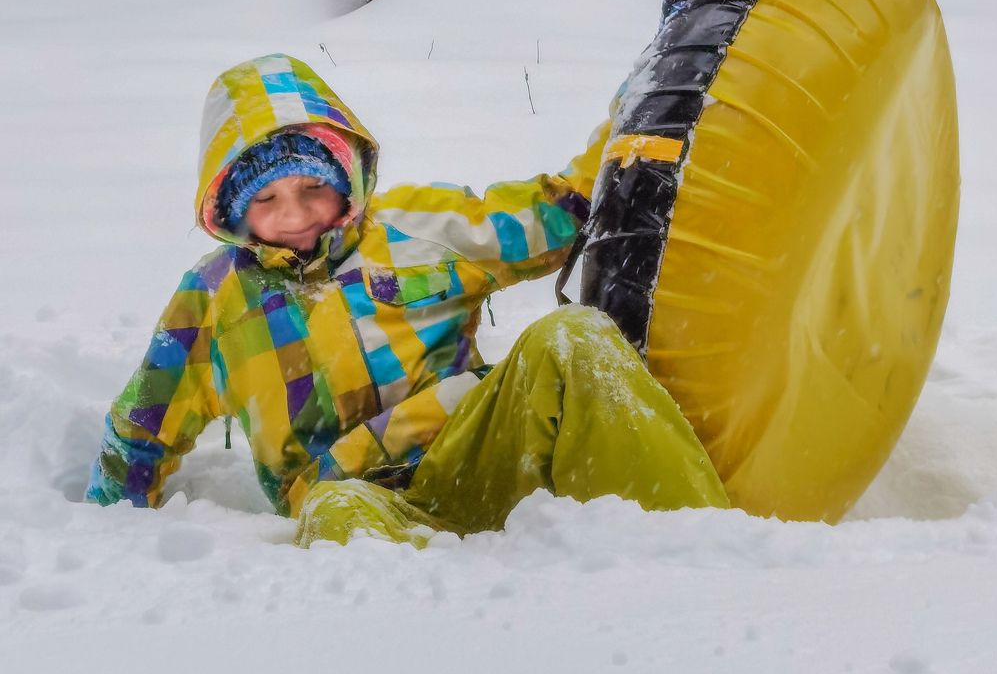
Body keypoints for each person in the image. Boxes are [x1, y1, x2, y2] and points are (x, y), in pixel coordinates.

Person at [86, 53, 728, 546]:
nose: (298, 214)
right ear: (231, 209)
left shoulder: (418, 229)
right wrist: (106, 536)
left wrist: (659, 79)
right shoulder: (214, 296)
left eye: (315, 187)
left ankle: (699, 544)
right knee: (339, 516)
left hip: (474, 452)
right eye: (266, 200)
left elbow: (564, 211)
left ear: (350, 179)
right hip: (356, 496)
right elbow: (143, 426)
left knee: (573, 337)